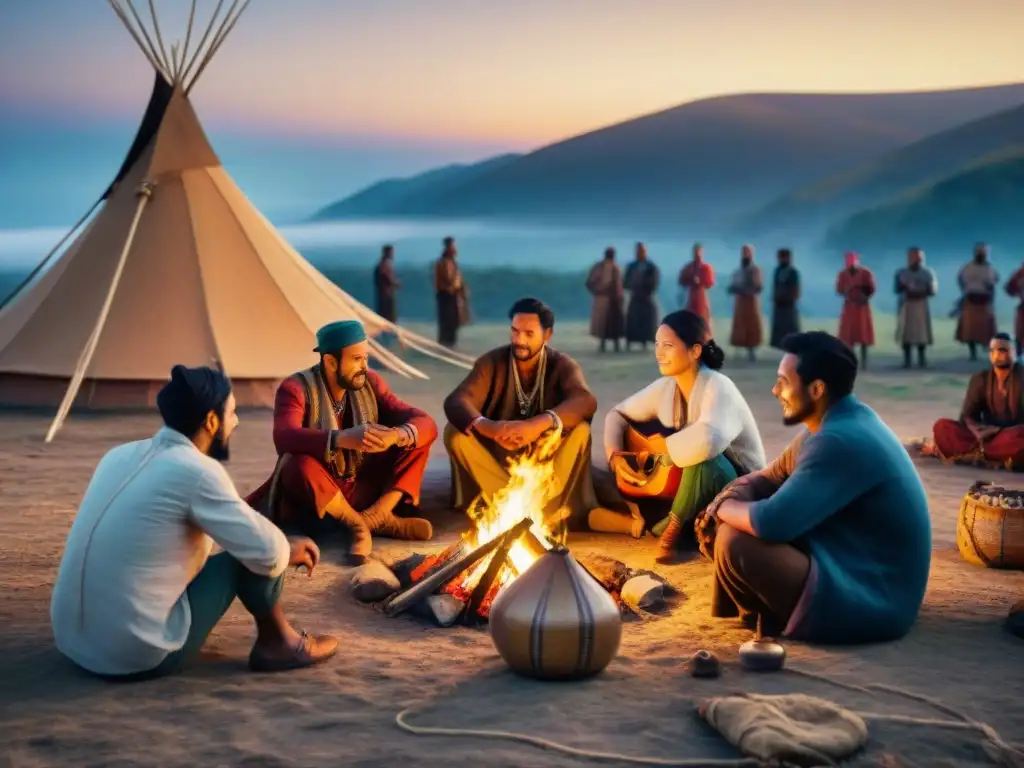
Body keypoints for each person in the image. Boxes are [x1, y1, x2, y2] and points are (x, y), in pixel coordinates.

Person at [49, 365, 339, 680]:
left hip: (71, 639)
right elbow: (267, 553)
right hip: (133, 654)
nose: (237, 422)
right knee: (253, 553)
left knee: (249, 543)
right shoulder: (197, 471)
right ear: (211, 421)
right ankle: (280, 643)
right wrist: (288, 547)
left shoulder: (118, 455)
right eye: (232, 413)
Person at [697, 332, 931, 643]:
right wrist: (734, 495)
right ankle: (767, 607)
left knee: (735, 540)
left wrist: (721, 508)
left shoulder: (839, 440)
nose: (774, 389)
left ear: (817, 389)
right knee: (740, 518)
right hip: (849, 564)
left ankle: (780, 613)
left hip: (874, 596)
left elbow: (771, 523)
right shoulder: (833, 423)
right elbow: (771, 476)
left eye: (783, 381)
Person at [247, 321, 437, 563]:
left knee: (415, 438)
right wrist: (342, 438)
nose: (364, 367)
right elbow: (284, 436)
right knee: (296, 463)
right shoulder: (295, 388)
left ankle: (378, 516)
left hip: (365, 482)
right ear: (330, 362)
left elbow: (425, 422)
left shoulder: (371, 382)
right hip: (325, 494)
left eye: (366, 358)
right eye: (357, 359)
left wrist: (395, 436)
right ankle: (359, 527)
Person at [601, 310, 766, 560]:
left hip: (741, 488)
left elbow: (709, 441)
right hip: (699, 490)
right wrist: (615, 456)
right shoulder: (667, 388)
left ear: (695, 350)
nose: (659, 353)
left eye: (668, 345)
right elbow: (617, 415)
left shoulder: (718, 386)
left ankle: (675, 532)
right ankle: (686, 524)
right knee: (657, 512)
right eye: (657, 344)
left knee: (704, 458)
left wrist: (662, 450)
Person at [443, 298, 610, 533]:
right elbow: (457, 400)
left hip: (546, 465)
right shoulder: (492, 362)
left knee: (581, 430)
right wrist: (488, 426)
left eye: (529, 334)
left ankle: (537, 507)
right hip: (499, 457)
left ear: (547, 334)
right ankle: (516, 506)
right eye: (515, 332)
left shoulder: (562, 364)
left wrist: (538, 424)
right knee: (455, 433)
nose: (519, 340)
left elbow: (585, 401)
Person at [928, 333, 1024, 466]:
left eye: (1002, 350)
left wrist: (998, 431)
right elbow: (967, 416)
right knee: (942, 426)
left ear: (1016, 352)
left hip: (1011, 435)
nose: (996, 354)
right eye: (992, 350)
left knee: (1019, 438)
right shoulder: (981, 378)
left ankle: (977, 454)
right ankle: (983, 454)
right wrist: (977, 430)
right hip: (984, 437)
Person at [894, 247, 938, 369]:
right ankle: (907, 360)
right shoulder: (901, 273)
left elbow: (932, 290)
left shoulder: (927, 273)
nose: (915, 261)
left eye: (918, 259)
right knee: (906, 334)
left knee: (921, 334)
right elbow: (897, 289)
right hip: (907, 304)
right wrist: (905, 286)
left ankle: (922, 359)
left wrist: (920, 290)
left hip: (921, 304)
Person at [955, 242, 999, 360]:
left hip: (984, 300)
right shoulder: (967, 267)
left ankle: (987, 349)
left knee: (986, 329)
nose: (981, 256)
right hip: (971, 299)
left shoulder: (990, 268)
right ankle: (972, 353)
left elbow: (993, 284)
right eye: (979, 253)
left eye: (983, 254)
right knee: (970, 330)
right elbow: (960, 280)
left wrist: (991, 299)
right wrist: (966, 291)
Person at [836, 251, 876, 369]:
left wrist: (864, 295)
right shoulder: (843, 274)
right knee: (848, 336)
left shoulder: (866, 273)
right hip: (849, 306)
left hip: (862, 307)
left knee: (863, 335)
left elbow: (872, 288)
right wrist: (846, 291)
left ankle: (864, 362)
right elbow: (839, 289)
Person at [727, 244, 764, 361]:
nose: (746, 254)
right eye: (744, 252)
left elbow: (758, 286)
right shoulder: (738, 271)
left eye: (748, 252)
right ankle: (739, 349)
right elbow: (733, 285)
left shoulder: (755, 270)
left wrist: (748, 290)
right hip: (741, 301)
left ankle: (751, 351)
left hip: (751, 301)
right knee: (740, 325)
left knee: (751, 325)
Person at [586, 247, 625, 352]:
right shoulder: (599, 267)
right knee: (603, 324)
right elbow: (590, 283)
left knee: (615, 324)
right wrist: (599, 291)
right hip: (603, 300)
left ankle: (616, 346)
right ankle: (603, 345)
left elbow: (619, 285)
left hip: (615, 300)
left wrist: (620, 297)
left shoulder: (616, 267)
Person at [623, 242, 661, 350]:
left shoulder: (651, 267)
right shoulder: (631, 266)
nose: (640, 253)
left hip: (647, 297)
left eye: (642, 251)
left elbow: (655, 281)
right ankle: (630, 342)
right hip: (635, 297)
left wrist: (645, 284)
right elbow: (625, 282)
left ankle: (646, 341)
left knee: (648, 321)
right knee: (633, 321)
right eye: (638, 251)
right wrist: (633, 284)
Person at [434, 236, 469, 348]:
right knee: (447, 325)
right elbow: (450, 280)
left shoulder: (452, 263)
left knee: (453, 324)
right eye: (453, 247)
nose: (455, 250)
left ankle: (450, 346)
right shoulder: (443, 263)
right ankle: (446, 347)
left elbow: (458, 280)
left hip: (453, 296)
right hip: (446, 297)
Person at [678, 242, 715, 329]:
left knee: (702, 317)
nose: (697, 254)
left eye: (699, 251)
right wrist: (689, 280)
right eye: (695, 252)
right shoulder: (688, 267)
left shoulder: (706, 267)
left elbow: (710, 282)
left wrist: (700, 282)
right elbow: (681, 279)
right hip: (690, 296)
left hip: (702, 296)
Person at [770, 248, 801, 349]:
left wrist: (790, 297)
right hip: (779, 303)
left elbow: (795, 289)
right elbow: (775, 286)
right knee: (779, 327)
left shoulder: (793, 272)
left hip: (789, 303)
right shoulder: (777, 271)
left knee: (790, 326)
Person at [374, 244, 400, 323]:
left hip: (385, 295)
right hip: (386, 297)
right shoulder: (384, 265)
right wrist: (395, 283)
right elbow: (387, 279)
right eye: (391, 252)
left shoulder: (384, 264)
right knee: (388, 317)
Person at [1004, 260, 1024, 358]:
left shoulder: (1020, 273)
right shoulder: (1020, 273)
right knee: (1020, 335)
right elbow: (1009, 288)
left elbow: (1009, 288)